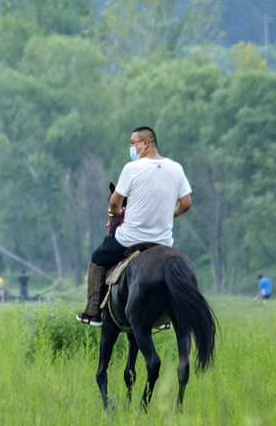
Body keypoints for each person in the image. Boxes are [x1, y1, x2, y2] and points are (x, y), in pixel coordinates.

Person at [77, 126, 192, 326]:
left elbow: (114, 202)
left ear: (144, 144)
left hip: (129, 238)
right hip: (162, 243)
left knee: (98, 258)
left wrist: (115, 213)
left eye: (133, 143)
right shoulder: (176, 168)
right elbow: (186, 203)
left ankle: (93, 311)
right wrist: (171, 213)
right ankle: (164, 317)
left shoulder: (132, 168)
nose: (131, 148)